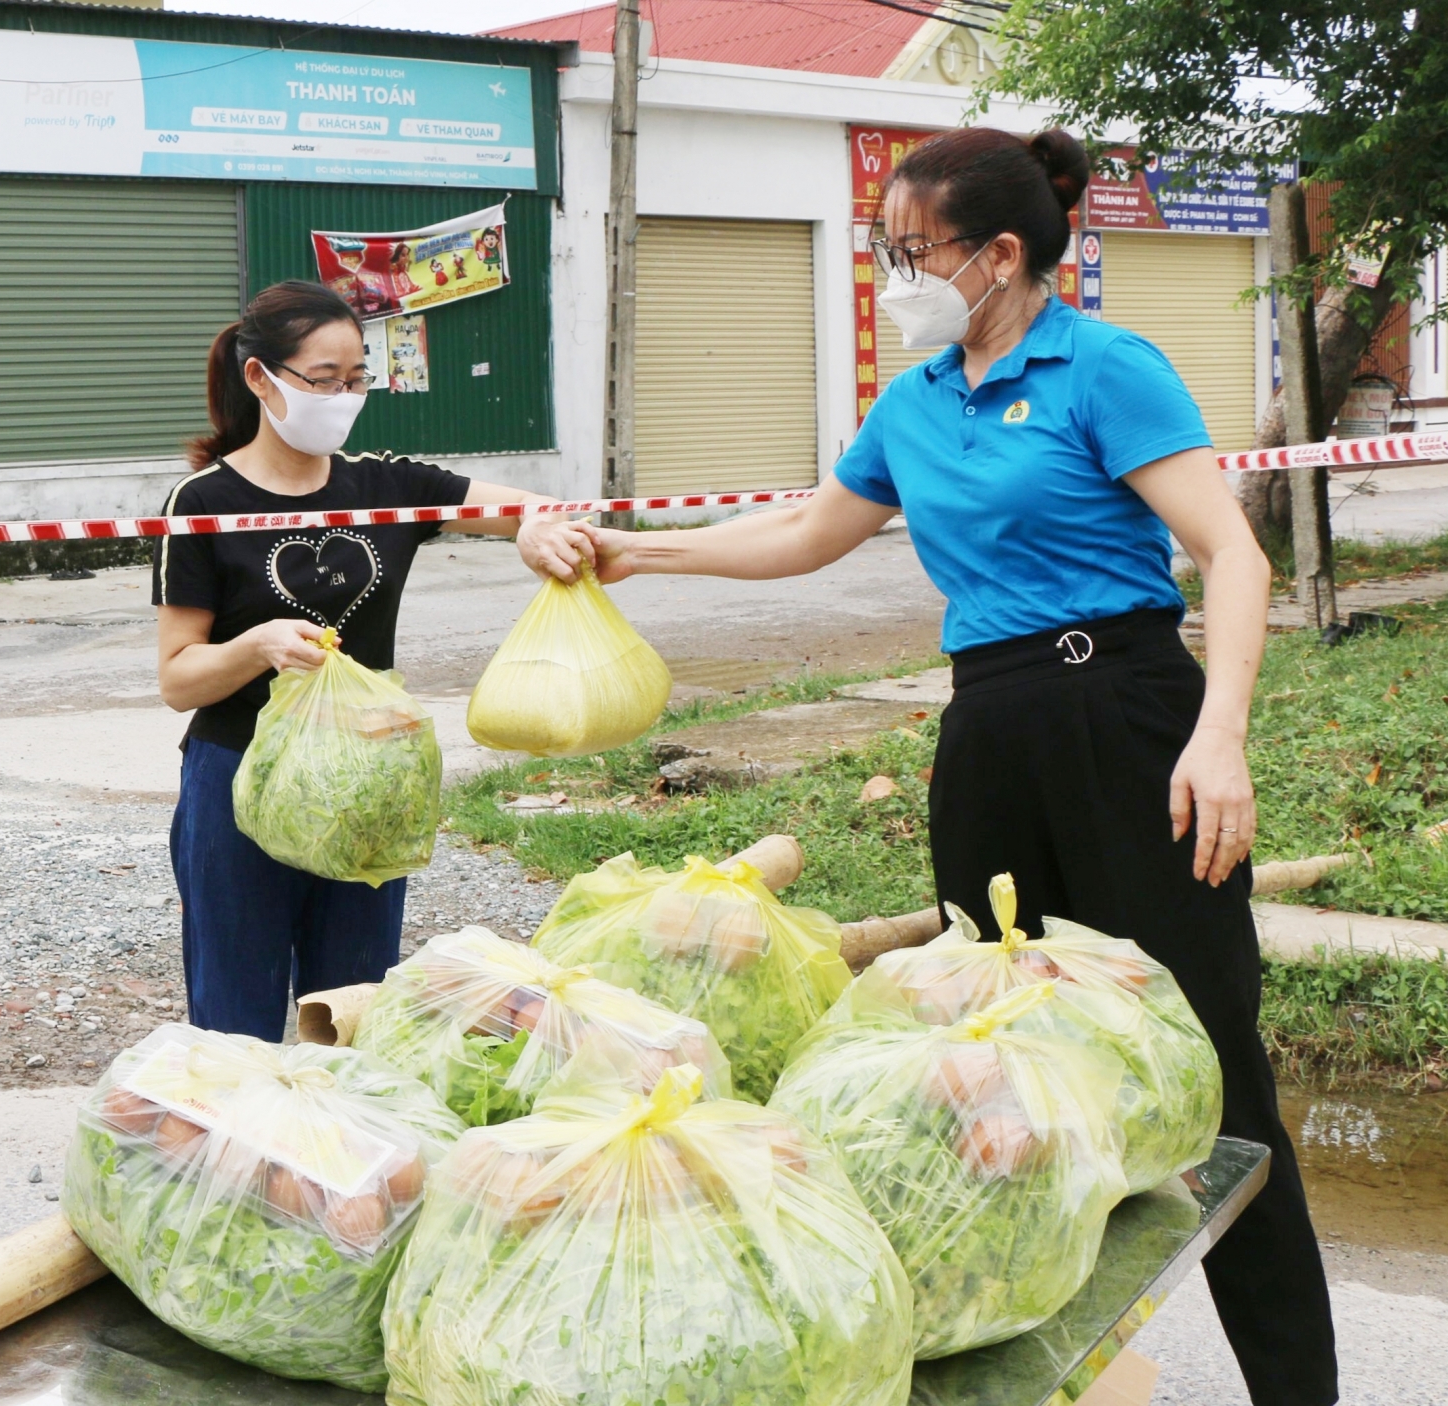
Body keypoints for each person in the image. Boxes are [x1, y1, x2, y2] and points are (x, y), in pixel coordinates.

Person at [557, 129, 1339, 1405]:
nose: (890, 276)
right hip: (989, 737)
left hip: (1131, 721)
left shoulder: (1103, 366)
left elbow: (1232, 556)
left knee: (1216, 1075)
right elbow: (816, 528)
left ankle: (1298, 1390)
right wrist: (640, 553)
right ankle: (1048, 1367)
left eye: (908, 252)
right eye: (883, 253)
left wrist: (1223, 732)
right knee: (986, 1057)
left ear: (1003, 255)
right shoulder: (916, 398)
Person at [154, 280, 590, 1044]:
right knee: (234, 1017)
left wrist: (528, 530)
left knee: (352, 1009)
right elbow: (178, 677)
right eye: (324, 381)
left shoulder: (385, 485)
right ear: (261, 379)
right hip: (237, 776)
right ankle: (239, 1156)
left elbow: (534, 509)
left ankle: (337, 1157)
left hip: (368, 777)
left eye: (357, 379)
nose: (345, 396)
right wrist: (258, 646)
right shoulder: (203, 502)